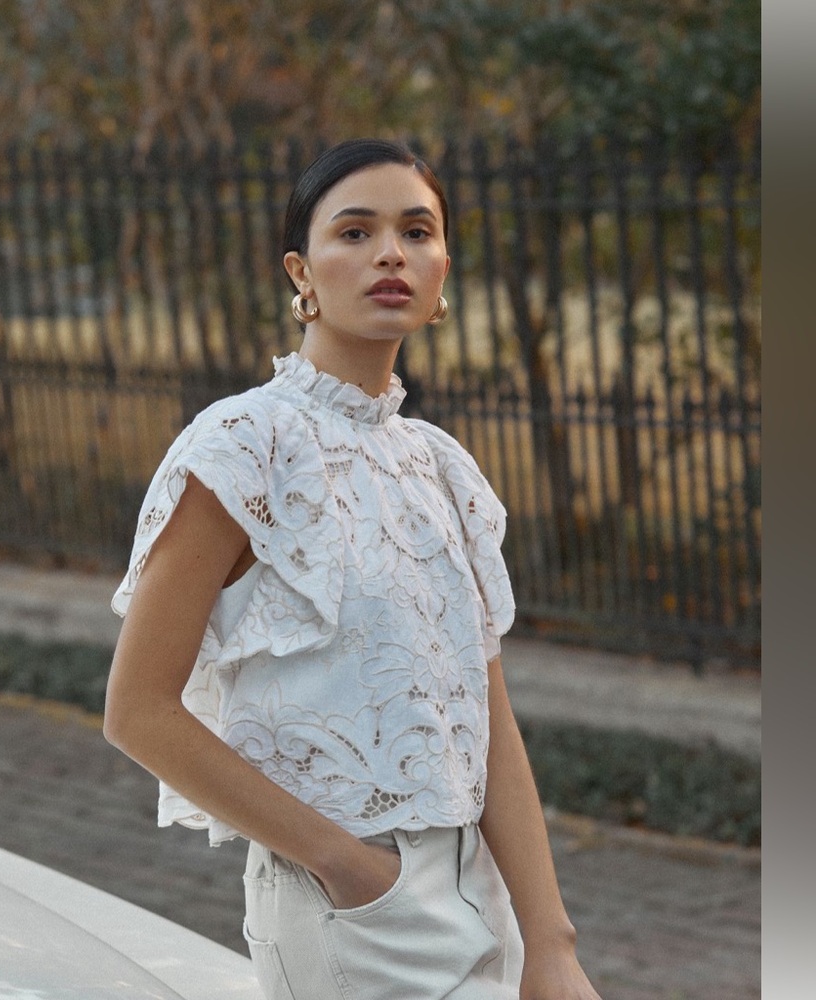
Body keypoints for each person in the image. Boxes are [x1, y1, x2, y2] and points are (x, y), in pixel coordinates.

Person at [104, 138, 602, 1000]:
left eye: (416, 231)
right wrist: (345, 865)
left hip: (483, 896)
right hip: (354, 909)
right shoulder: (243, 444)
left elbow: (488, 717)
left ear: (443, 267)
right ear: (301, 272)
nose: (390, 254)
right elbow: (137, 710)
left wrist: (550, 939)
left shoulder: (441, 465)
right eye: (355, 232)